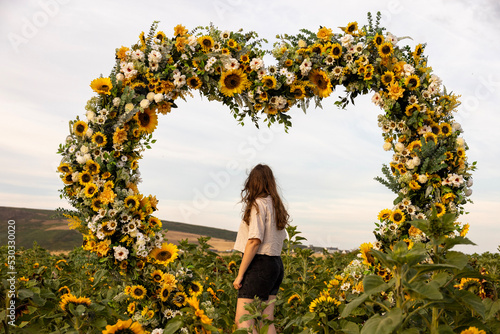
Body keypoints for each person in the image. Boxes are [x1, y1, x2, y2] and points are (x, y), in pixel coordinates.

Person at [232, 164, 290, 333]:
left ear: (253, 182)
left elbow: (254, 241)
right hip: (275, 264)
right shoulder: (276, 205)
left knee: (244, 322)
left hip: (259, 264)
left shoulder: (258, 204)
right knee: (266, 321)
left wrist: (240, 274)